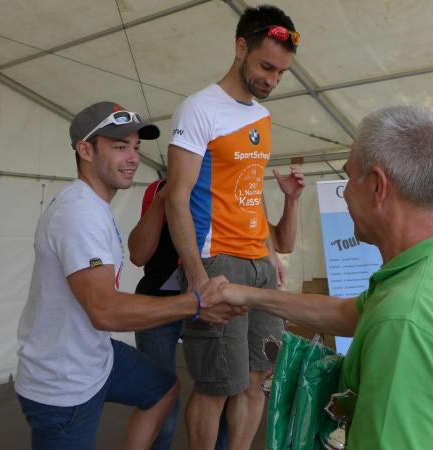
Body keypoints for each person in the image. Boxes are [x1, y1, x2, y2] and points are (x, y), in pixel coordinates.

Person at [204, 105, 433, 448]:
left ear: (377, 185)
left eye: (348, 178)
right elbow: (346, 313)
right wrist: (248, 295)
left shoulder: (406, 320)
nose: (346, 193)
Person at [14, 101, 239, 450]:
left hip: (95, 357)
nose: (133, 158)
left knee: (163, 388)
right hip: (63, 384)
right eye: (120, 147)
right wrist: (195, 303)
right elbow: (105, 311)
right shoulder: (79, 214)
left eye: (135, 147)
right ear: (85, 150)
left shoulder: (93, 205)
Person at [163, 5, 301, 449]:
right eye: (266, 67)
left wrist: (270, 254)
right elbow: (176, 197)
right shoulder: (198, 109)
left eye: (281, 73)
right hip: (217, 261)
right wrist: (197, 277)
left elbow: (250, 191)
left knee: (258, 377)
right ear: (241, 47)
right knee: (217, 384)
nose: (273, 80)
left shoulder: (261, 116)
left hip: (259, 263)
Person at [127, 166, 304, 450]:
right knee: (161, 398)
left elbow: (281, 242)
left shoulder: (236, 191)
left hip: (215, 299)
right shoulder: (165, 189)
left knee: (229, 385)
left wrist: (291, 202)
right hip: (163, 303)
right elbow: (138, 255)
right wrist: (166, 196)